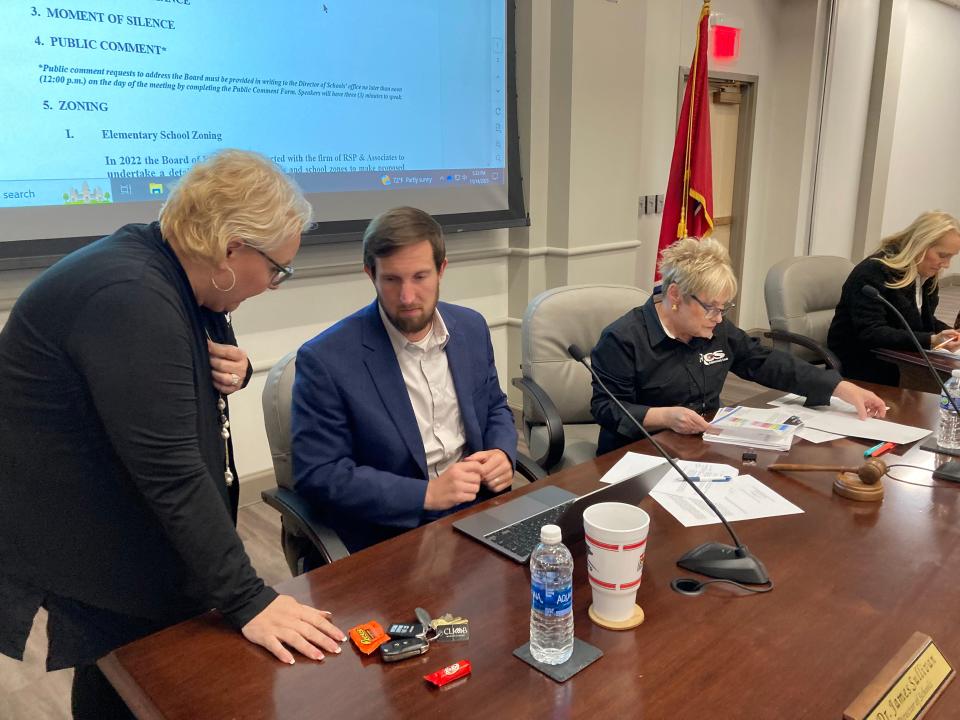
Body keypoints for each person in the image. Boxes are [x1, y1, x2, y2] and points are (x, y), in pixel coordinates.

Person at [0, 150, 345, 720]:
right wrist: (248, 599)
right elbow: (172, 471)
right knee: (128, 666)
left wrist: (216, 370)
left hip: (118, 511)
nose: (277, 284)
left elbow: (150, 382)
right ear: (233, 250)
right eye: (279, 268)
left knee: (144, 664)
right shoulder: (130, 294)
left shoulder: (164, 260)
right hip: (87, 528)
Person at [292, 206, 517, 555]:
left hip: (478, 509)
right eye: (392, 280)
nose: (407, 297)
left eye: (420, 277)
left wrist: (502, 452)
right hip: (393, 532)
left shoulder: (471, 327)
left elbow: (495, 406)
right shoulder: (326, 360)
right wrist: (425, 494)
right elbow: (320, 475)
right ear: (371, 274)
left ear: (442, 270)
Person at [590, 237, 887, 455]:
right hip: (638, 452)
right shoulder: (623, 338)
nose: (718, 319)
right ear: (676, 294)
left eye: (724, 308)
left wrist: (839, 387)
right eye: (711, 308)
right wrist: (665, 416)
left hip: (702, 445)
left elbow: (765, 362)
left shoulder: (716, 328)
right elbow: (607, 409)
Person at [828, 210, 960, 385]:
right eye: (942, 255)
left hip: (897, 358)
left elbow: (922, 320)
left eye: (951, 257)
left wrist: (950, 334)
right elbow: (871, 332)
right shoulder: (873, 272)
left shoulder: (925, 274)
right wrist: (931, 340)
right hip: (863, 363)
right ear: (920, 244)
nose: (946, 264)